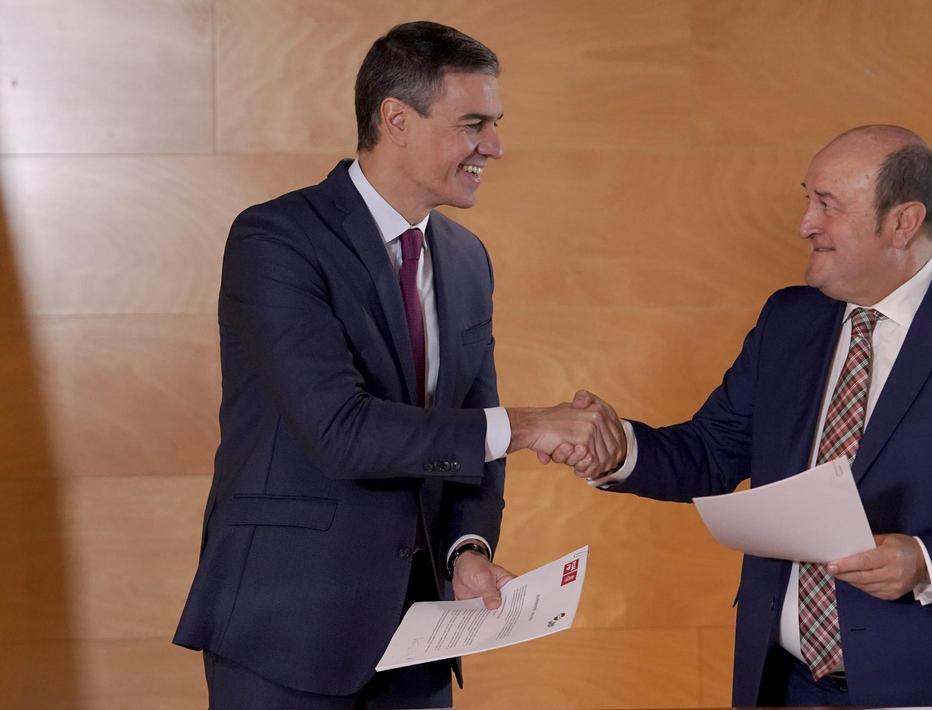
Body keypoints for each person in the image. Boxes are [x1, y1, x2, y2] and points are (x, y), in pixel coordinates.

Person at [564, 125, 932, 706]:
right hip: (789, 687)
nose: (805, 223)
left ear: (903, 222)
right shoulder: (788, 320)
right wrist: (616, 449)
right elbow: (711, 451)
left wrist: (926, 562)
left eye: (827, 205)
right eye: (808, 199)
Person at [173, 21, 621, 709]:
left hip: (417, 639)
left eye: (496, 124)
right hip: (284, 631)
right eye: (474, 124)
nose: (495, 147)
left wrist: (465, 549)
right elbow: (342, 431)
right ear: (396, 120)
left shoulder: (468, 261)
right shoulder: (277, 240)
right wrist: (531, 425)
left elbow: (474, 429)